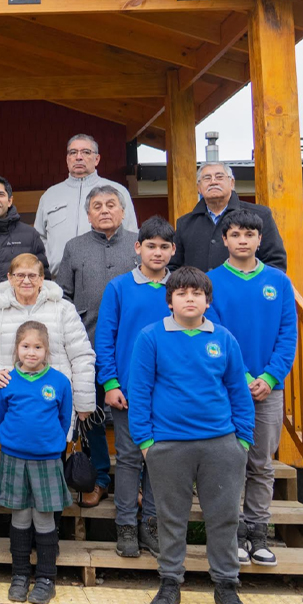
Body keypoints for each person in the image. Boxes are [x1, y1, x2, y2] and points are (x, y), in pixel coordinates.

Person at [129, 267, 255, 604]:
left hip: (221, 445)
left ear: (207, 301)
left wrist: (242, 441)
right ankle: (170, 582)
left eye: (196, 293)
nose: (189, 299)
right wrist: (147, 444)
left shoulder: (224, 339)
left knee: (224, 518)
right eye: (181, 293)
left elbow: (239, 391)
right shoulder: (151, 337)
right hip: (168, 445)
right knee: (171, 518)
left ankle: (226, 586)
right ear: (170, 300)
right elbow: (140, 392)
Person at [205, 210, 297, 568]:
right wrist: (242, 377)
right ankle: (234, 534)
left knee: (261, 463)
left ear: (260, 240)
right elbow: (214, 334)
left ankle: (258, 533)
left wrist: (270, 377)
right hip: (227, 388)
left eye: (249, 235)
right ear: (224, 240)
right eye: (235, 235)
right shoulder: (212, 281)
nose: (242, 240)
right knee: (230, 462)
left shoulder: (279, 282)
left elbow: (287, 335)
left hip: (269, 390)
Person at [95, 216, 176, 558]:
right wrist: (110, 383)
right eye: (151, 246)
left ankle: (151, 525)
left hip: (168, 392)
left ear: (173, 250)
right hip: (128, 392)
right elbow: (105, 338)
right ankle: (126, 525)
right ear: (137, 247)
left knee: (159, 459)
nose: (157, 252)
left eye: (164, 247)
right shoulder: (119, 287)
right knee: (129, 459)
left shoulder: (180, 289)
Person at [55, 185, 139, 508]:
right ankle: (100, 478)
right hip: (87, 344)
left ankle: (139, 483)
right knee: (90, 415)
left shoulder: (138, 245)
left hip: (131, 348)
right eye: (98, 206)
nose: (105, 210)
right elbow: (63, 294)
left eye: (111, 204)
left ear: (122, 211)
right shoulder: (75, 247)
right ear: (88, 214)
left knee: (134, 412)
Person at [0, 253, 95, 445]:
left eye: (32, 275)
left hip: (53, 404)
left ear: (41, 279)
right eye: (20, 275)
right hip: (13, 407)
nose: (26, 281)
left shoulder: (63, 309)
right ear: (10, 278)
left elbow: (81, 356)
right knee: (13, 455)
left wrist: (84, 402)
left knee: (55, 457)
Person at [0, 321, 73, 604]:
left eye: (38, 347)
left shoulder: (60, 382)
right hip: (14, 458)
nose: (31, 352)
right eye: (25, 346)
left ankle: (46, 578)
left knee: (44, 518)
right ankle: (19, 576)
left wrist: (49, 445)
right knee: (20, 517)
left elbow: (64, 419)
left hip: (47, 460)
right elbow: (2, 416)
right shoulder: (7, 381)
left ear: (47, 349)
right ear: (16, 348)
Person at [34, 134, 138, 268]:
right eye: (73, 152)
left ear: (97, 159)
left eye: (86, 152)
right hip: (58, 277)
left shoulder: (117, 191)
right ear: (67, 159)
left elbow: (131, 235)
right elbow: (39, 238)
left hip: (106, 275)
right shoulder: (50, 195)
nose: (78, 157)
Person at [171, 162, 287, 272]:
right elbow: (173, 265)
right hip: (197, 287)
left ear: (231, 183)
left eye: (219, 177)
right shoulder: (185, 223)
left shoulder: (260, 215)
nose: (213, 182)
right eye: (207, 178)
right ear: (198, 187)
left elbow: (275, 261)